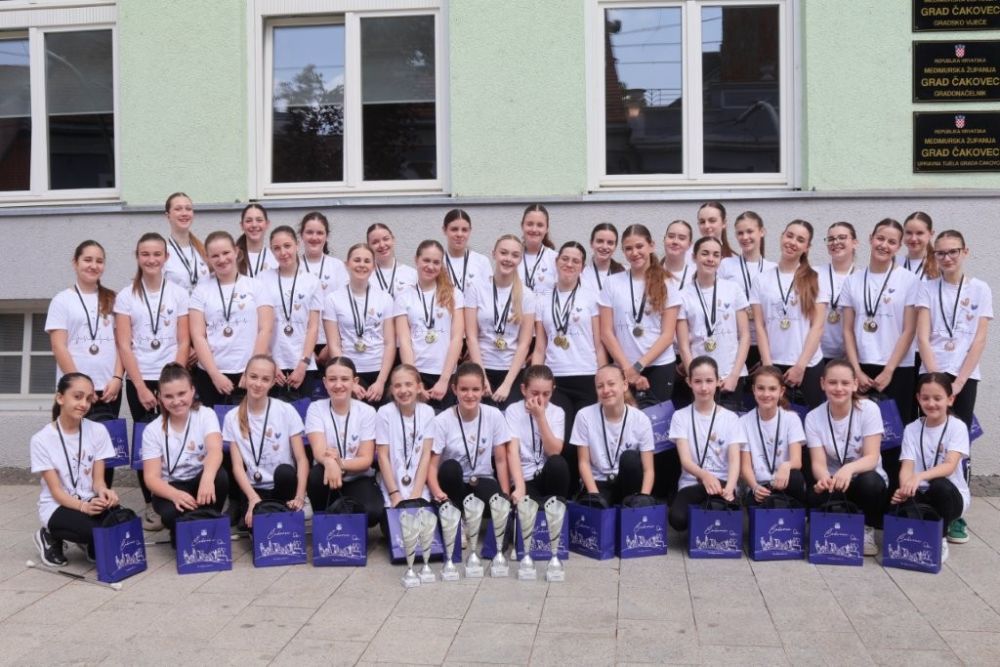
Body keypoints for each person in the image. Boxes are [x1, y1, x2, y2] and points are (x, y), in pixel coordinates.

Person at [916, 229, 992, 543]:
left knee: (959, 444)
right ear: (934, 256)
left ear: (965, 252)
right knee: (925, 438)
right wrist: (937, 382)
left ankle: (958, 512)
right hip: (932, 374)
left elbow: (979, 339)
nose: (947, 258)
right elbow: (922, 337)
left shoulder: (980, 288)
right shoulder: (926, 287)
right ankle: (925, 502)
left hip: (964, 378)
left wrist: (958, 382)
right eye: (941, 253)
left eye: (953, 251)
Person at [114, 232, 190, 531]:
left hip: (170, 377)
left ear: (166, 257)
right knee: (146, 440)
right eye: (145, 254)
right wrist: (141, 387)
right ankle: (151, 503)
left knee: (177, 435)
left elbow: (183, 341)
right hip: (141, 378)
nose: (151, 259)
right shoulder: (126, 296)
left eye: (157, 254)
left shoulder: (178, 293)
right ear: (137, 257)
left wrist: (174, 380)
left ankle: (179, 494)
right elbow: (124, 345)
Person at [841, 218, 920, 490]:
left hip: (897, 369)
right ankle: (864, 495)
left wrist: (889, 370)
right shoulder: (853, 281)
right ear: (871, 238)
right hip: (861, 367)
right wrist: (856, 370)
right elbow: (847, 330)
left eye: (891, 242)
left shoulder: (909, 281)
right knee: (860, 435)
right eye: (880, 238)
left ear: (899, 246)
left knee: (895, 436)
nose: (884, 245)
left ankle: (894, 498)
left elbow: (909, 330)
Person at [46, 240, 124, 490]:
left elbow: (123, 343)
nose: (93, 265)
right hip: (75, 390)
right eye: (87, 260)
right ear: (75, 262)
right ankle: (71, 499)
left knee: (104, 451)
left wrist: (117, 378)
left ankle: (102, 499)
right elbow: (59, 346)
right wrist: (82, 388)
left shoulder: (113, 299)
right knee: (72, 447)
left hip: (108, 388)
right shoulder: (62, 300)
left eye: (99, 261)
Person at [533, 241, 606, 491]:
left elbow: (599, 343)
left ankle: (583, 488)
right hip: (556, 378)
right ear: (557, 262)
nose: (569, 264)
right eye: (565, 259)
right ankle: (563, 490)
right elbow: (540, 346)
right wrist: (534, 381)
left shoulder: (592, 297)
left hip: (586, 375)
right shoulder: (542, 299)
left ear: (582, 267)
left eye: (576, 261)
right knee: (561, 437)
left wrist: (601, 379)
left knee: (583, 437)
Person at [30, 373, 120, 567]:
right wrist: (83, 507)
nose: (84, 404)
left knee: (120, 521)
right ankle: (49, 535)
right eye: (77, 397)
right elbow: (56, 491)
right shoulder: (41, 440)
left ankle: (91, 542)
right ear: (60, 398)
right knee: (94, 531)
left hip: (88, 500)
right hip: (57, 505)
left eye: (88, 398)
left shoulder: (98, 431)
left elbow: (98, 482)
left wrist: (105, 492)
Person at [804, 360, 888, 557]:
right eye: (832, 382)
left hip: (862, 478)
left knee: (871, 483)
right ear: (823, 384)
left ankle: (866, 528)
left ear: (855, 384)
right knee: (813, 494)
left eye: (845, 383)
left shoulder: (869, 409)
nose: (839, 388)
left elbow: (872, 457)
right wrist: (824, 479)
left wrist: (848, 469)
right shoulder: (813, 417)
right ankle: (831, 526)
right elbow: (818, 463)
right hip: (834, 482)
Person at [142, 363, 229, 547]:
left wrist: (207, 479)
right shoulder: (152, 430)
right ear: (159, 397)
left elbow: (215, 450)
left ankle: (208, 522)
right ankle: (185, 528)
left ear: (192, 391)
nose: (176, 401)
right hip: (171, 486)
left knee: (219, 477)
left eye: (181, 394)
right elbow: (151, 478)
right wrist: (174, 495)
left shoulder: (206, 414)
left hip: (199, 481)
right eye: (169, 396)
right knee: (170, 513)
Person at [189, 231, 274, 407]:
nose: (222, 259)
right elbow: (198, 336)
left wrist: (252, 371)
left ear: (236, 252)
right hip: (211, 376)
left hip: (248, 374)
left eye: (226, 253)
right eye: (215, 255)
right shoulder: (200, 290)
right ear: (207, 258)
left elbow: (265, 329)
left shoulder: (256, 286)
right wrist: (214, 375)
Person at [223, 355, 308, 529]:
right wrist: (253, 499)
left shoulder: (286, 410)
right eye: (253, 377)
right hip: (253, 488)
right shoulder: (231, 417)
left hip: (283, 484)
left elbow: (301, 459)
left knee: (285, 471)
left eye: (265, 379)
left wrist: (300, 496)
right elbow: (237, 467)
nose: (258, 383)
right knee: (251, 527)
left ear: (273, 382)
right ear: (244, 377)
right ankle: (260, 510)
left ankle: (285, 510)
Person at [750, 219, 829, 408]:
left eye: (800, 240)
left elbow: (817, 326)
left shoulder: (816, 278)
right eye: (789, 236)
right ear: (781, 237)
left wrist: (800, 366)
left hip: (808, 365)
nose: (793, 242)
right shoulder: (761, 280)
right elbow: (759, 325)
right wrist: (768, 366)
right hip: (773, 363)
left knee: (810, 421)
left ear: (807, 247)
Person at [600, 223, 681, 403]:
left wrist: (638, 366)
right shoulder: (612, 283)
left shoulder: (667, 283)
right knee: (624, 418)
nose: (634, 252)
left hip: (659, 366)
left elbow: (668, 335)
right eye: (628, 248)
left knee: (656, 419)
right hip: (623, 367)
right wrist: (627, 368)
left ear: (651, 246)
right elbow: (606, 332)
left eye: (639, 246)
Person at [893, 373, 970, 560]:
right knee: (898, 499)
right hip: (920, 493)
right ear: (918, 399)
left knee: (939, 485)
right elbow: (907, 466)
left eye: (938, 398)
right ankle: (918, 533)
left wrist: (919, 477)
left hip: (950, 496)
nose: (931, 403)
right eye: (925, 398)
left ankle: (940, 539)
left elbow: (949, 466)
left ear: (950, 399)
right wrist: (904, 488)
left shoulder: (957, 427)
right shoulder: (911, 429)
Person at [667, 357, 744, 532]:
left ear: (719, 382)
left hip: (723, 482)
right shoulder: (680, 416)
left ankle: (707, 511)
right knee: (677, 520)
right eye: (698, 381)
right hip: (692, 483)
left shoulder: (731, 418)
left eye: (709, 381)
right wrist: (705, 476)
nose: (703, 387)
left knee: (724, 517)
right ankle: (704, 511)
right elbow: (686, 461)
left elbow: (734, 460)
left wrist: (730, 487)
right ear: (689, 382)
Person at [304, 357, 383, 527]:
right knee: (316, 475)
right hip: (327, 476)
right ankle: (326, 520)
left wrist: (339, 463)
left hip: (357, 477)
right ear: (325, 382)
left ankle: (341, 516)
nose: (338, 385)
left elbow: (365, 459)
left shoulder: (367, 412)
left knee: (373, 512)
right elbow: (319, 452)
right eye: (332, 379)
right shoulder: (316, 408)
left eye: (345, 379)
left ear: (355, 382)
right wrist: (329, 462)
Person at [676, 236, 750, 412]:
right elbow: (684, 346)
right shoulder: (683, 295)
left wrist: (734, 376)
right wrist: (695, 379)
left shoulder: (733, 289)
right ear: (694, 257)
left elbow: (745, 335)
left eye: (716, 255)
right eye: (705, 253)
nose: (710, 259)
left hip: (731, 376)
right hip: (702, 381)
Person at [427, 362, 513, 509]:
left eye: (475, 389)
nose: (470, 395)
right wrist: (438, 493)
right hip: (454, 484)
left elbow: (500, 461)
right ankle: (454, 512)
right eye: (464, 389)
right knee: (450, 468)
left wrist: (505, 496)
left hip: (482, 480)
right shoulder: (441, 421)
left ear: (483, 390)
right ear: (454, 389)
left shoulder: (494, 415)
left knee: (493, 499)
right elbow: (432, 466)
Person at [464, 235, 535, 409]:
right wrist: (481, 377)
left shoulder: (527, 295)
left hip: (512, 372)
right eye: (504, 253)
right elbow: (471, 337)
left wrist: (507, 384)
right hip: (481, 368)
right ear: (494, 254)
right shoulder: (476, 289)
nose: (508, 259)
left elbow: (524, 343)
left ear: (520, 259)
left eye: (515, 255)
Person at [322, 244, 396, 406]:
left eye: (367, 261)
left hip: (379, 372)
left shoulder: (385, 298)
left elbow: (389, 343)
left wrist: (381, 381)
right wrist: (349, 381)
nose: (362, 265)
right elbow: (334, 344)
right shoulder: (333, 299)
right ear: (347, 264)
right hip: (349, 371)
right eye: (357, 260)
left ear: (374, 267)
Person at [395, 240, 465, 410]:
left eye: (436, 262)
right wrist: (414, 382)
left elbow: (457, 339)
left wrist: (444, 380)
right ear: (416, 260)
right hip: (417, 373)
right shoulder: (403, 297)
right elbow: (404, 342)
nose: (430, 266)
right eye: (426, 260)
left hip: (446, 373)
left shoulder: (454, 294)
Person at [571, 364, 655, 505]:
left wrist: (644, 498)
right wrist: (595, 496)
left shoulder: (641, 419)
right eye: (600, 386)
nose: (606, 390)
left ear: (624, 385)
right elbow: (583, 462)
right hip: (598, 483)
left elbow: (649, 470)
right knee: (598, 507)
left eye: (611, 384)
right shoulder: (584, 415)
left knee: (630, 458)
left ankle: (631, 504)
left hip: (628, 483)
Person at [258, 226, 322, 401]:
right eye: (277, 248)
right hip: (272, 364)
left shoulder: (312, 281)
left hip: (303, 365)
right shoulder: (262, 279)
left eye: (287, 246)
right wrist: (270, 362)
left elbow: (313, 327)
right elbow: (260, 326)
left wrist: (303, 364)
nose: (283, 252)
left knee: (303, 414)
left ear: (297, 245)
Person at [739, 366, 807, 506]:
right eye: (761, 388)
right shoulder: (743, 422)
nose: (766, 394)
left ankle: (797, 513)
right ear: (753, 390)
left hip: (785, 481)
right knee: (756, 505)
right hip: (760, 485)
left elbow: (797, 461)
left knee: (796, 477)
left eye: (772, 389)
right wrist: (755, 487)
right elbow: (745, 466)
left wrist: (786, 466)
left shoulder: (791, 419)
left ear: (781, 391)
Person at [718, 211, 777, 373]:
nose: (745, 237)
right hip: (735, 341)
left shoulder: (773, 268)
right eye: (740, 233)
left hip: (765, 344)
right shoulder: (726, 265)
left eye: (750, 231)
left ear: (762, 232)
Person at [505, 365, 570, 503]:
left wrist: (540, 417)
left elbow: (554, 451)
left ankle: (556, 505)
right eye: (535, 393)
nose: (540, 399)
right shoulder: (513, 410)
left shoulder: (557, 412)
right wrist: (520, 487)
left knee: (558, 463)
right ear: (523, 389)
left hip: (547, 474)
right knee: (532, 507)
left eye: (546, 394)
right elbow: (512, 451)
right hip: (525, 478)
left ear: (553, 391)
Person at [375, 364, 436, 507]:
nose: (403, 390)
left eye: (408, 384)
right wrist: (394, 494)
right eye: (397, 386)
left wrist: (416, 494)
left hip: (418, 485)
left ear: (419, 387)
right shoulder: (384, 413)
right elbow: (383, 456)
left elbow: (425, 455)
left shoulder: (428, 412)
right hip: (391, 485)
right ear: (391, 390)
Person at [299, 211, 349, 366]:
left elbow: (345, 307)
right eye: (309, 232)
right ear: (301, 235)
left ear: (327, 236)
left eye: (319, 233)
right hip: (300, 344)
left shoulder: (337, 266)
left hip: (332, 343)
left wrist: (331, 345)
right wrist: (307, 350)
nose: (314, 237)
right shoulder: (294, 267)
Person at [816, 222, 858, 363]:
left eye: (842, 237)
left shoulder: (861, 278)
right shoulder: (814, 274)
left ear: (855, 243)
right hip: (815, 355)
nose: (836, 242)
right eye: (831, 239)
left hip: (849, 355)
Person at [162, 192, 209, 295]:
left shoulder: (203, 250)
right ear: (168, 216)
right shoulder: (161, 252)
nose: (184, 213)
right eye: (178, 209)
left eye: (188, 209)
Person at [441, 208, 493, 294]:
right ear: (444, 230)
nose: (459, 234)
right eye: (454, 229)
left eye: (464, 230)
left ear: (470, 231)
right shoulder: (438, 262)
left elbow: (488, 295)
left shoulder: (482, 262)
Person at [367, 223, 418, 298]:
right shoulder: (365, 275)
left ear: (393, 239)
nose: (382, 245)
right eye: (375, 242)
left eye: (385, 239)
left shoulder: (412, 274)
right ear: (369, 246)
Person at [520, 204, 558, 296]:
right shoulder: (512, 257)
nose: (534, 229)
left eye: (540, 225)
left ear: (546, 229)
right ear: (522, 226)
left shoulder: (555, 259)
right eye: (530, 224)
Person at [580, 223, 625, 294]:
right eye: (600, 241)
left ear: (615, 246)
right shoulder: (581, 273)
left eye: (610, 243)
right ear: (591, 243)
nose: (604, 247)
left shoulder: (625, 272)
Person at [236, 203, 273, 277]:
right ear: (241, 225)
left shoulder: (275, 257)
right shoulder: (233, 256)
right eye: (248, 221)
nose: (254, 225)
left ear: (267, 224)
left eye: (259, 220)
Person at [901, 211, 938, 281]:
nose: (913, 238)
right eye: (909, 233)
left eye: (919, 233)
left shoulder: (940, 265)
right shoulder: (894, 263)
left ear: (931, 234)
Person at [661, 220, 694, 290]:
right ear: (664, 239)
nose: (675, 241)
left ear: (689, 244)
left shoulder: (696, 277)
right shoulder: (649, 273)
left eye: (682, 238)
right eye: (671, 236)